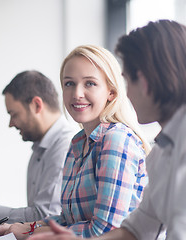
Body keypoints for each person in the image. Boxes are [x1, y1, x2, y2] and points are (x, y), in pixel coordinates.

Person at [0, 45, 151, 239]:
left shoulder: (115, 140)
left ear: (111, 92)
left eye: (90, 83)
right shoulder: (78, 143)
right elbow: (67, 220)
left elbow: (105, 231)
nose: (77, 93)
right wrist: (13, 227)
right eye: (69, 84)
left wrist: (26, 232)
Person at [35, 19, 186, 240]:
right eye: (69, 83)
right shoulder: (164, 150)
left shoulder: (122, 139)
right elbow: (137, 229)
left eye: (127, 82)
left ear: (144, 81)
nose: (127, 95)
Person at [0, 70, 77, 224]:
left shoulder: (65, 147)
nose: (11, 123)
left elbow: (46, 216)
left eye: (14, 114)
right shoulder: (41, 149)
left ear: (36, 105)